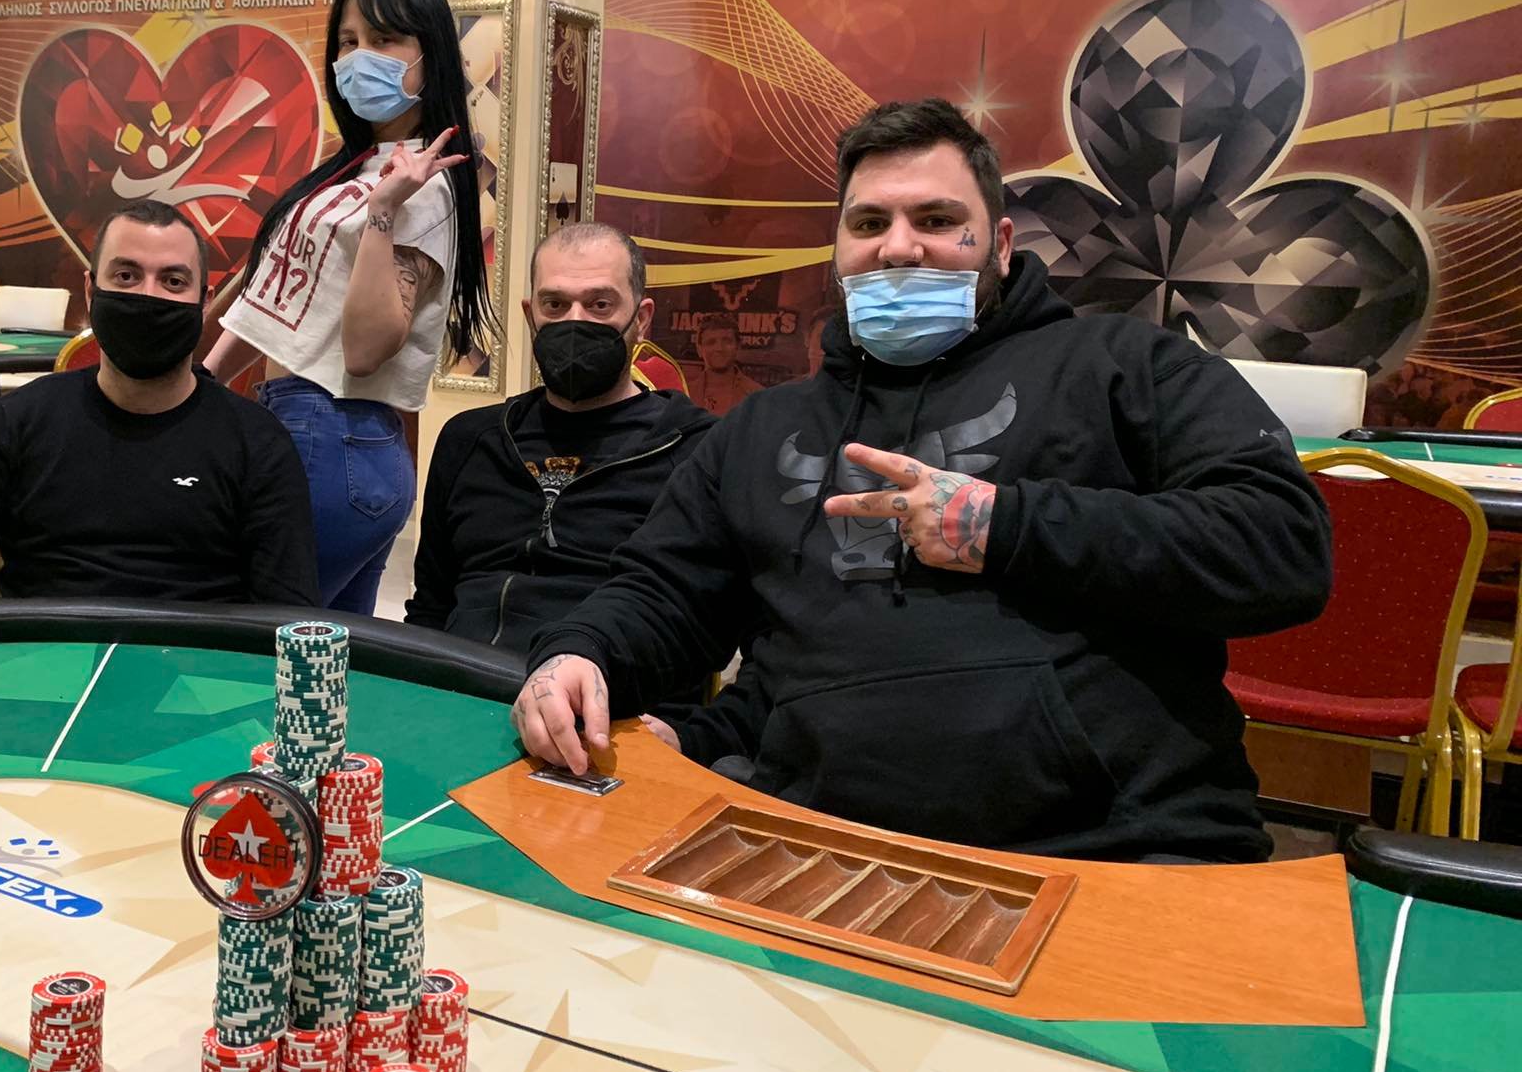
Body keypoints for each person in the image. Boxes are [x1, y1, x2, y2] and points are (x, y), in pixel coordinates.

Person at [510, 98, 1332, 862]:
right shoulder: (760, 429)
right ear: (839, 249)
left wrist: (1003, 526)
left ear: (1000, 245)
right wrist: (581, 653)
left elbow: (1282, 545)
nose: (899, 247)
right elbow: (663, 592)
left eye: (936, 221)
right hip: (810, 839)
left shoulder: (1128, 367)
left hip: (1115, 847)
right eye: (869, 223)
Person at [204, 0, 491, 614]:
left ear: (429, 54)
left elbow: (364, 351)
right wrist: (206, 379)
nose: (360, 58)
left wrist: (385, 210)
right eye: (348, 41)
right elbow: (276, 298)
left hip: (331, 435)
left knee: (251, 648)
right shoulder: (349, 169)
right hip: (311, 431)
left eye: (384, 39)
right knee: (323, 662)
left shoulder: (425, 183)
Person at [0, 198, 319, 605]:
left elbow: (289, 620)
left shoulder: (258, 443)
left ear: (204, 303)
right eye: (126, 276)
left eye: (173, 281)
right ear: (91, 291)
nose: (148, 296)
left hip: (198, 658)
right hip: (42, 656)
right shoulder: (15, 424)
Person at [404, 222, 714, 675]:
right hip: (460, 688)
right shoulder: (470, 439)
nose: (575, 321)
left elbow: (702, 623)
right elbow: (431, 604)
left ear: (642, 318)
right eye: (555, 305)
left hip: (606, 696)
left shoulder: (696, 451)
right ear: (530, 314)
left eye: (600, 305)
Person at [685, 312, 763, 415]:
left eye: (727, 341)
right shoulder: (684, 395)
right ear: (699, 349)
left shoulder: (758, 395)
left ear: (738, 346)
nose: (719, 348)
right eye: (711, 342)